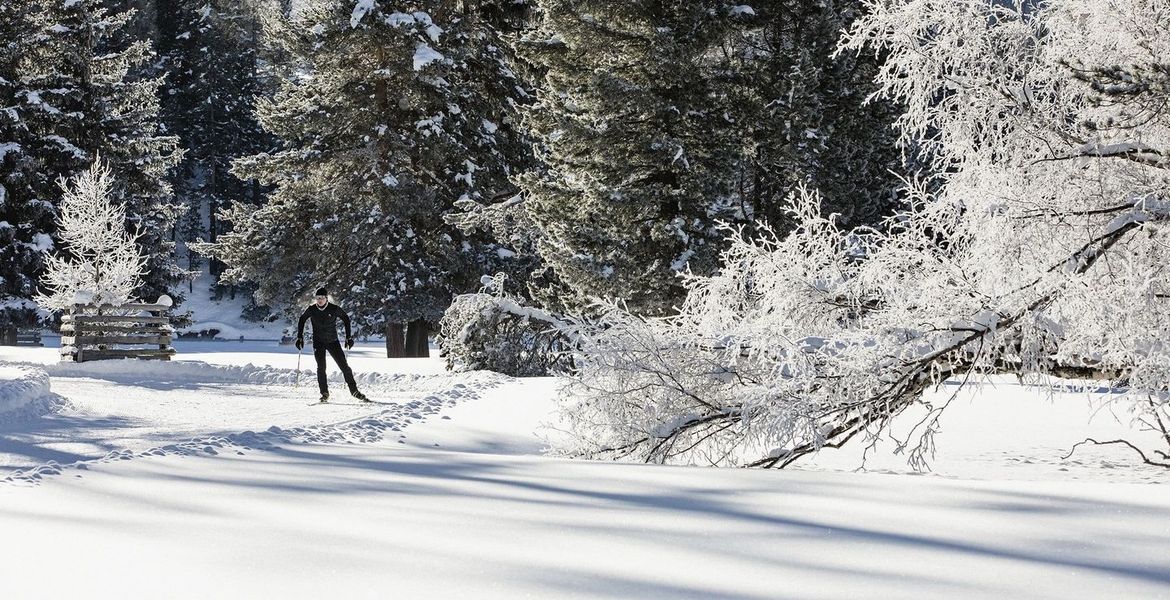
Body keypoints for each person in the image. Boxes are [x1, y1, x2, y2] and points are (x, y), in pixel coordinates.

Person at [296, 287, 368, 403]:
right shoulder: (312, 309)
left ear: (326, 298)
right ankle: (324, 393)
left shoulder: (333, 309)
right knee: (321, 367)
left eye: (322, 298)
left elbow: (345, 319)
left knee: (344, 366)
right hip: (318, 342)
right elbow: (302, 319)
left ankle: (354, 391)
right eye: (317, 298)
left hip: (332, 342)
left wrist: (348, 337)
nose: (319, 300)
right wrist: (300, 337)